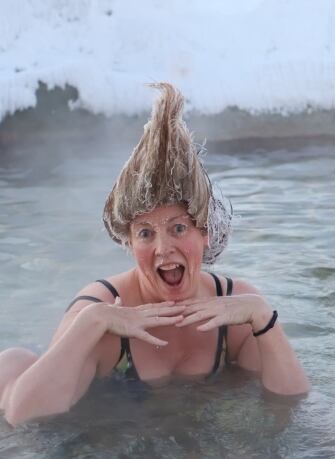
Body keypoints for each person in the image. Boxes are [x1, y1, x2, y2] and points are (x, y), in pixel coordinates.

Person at [0, 83, 310, 426]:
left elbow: (292, 407)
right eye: (146, 233)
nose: (163, 249)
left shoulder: (237, 308)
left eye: (178, 228)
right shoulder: (99, 310)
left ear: (205, 233)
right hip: (110, 433)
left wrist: (264, 317)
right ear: (129, 242)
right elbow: (23, 417)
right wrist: (92, 322)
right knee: (10, 365)